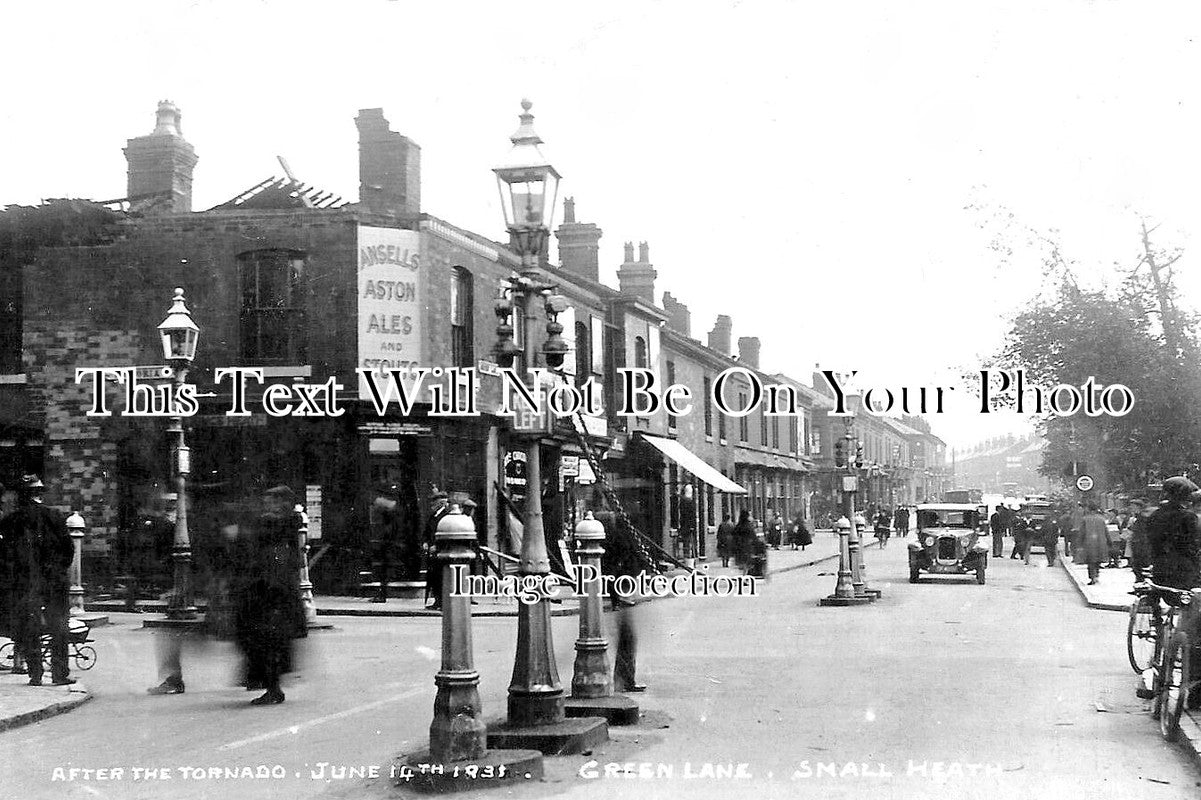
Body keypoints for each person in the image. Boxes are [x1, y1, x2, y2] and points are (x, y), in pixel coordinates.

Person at [0, 475, 75, 687]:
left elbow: (5, 555)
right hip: (54, 581)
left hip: (26, 582)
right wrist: (57, 570)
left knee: (30, 626)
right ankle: (60, 673)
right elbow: (68, 551)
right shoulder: (55, 517)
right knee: (59, 626)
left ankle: (35, 674)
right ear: (40, 494)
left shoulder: (10, 522)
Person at [235, 486, 305, 705]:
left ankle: (272, 688)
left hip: (274, 589)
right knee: (265, 638)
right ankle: (265, 682)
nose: (268, 504)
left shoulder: (280, 523)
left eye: (272, 500)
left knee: (269, 639)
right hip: (272, 588)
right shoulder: (282, 522)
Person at [368, 485, 400, 603]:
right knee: (384, 571)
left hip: (388, 546)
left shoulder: (387, 520)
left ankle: (382, 594)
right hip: (389, 545)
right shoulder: (393, 511)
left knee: (384, 571)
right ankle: (382, 593)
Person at [423, 491, 451, 610]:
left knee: (440, 577)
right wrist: (425, 542)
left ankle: (442, 601)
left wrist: (437, 546)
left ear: (440, 503)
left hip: (441, 553)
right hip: (432, 552)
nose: (432, 504)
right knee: (433, 578)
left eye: (434, 501)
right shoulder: (433, 515)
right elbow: (427, 532)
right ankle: (437, 600)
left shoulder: (447, 516)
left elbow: (447, 535)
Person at [1080, 502, 1109, 585]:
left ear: (1088, 509)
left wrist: (1079, 543)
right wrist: (1109, 542)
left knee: (1090, 561)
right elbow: (1106, 531)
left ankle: (1093, 577)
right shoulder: (1101, 519)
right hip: (1101, 542)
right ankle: (1096, 575)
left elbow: (1082, 532)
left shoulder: (1085, 519)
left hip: (1089, 543)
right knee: (1097, 560)